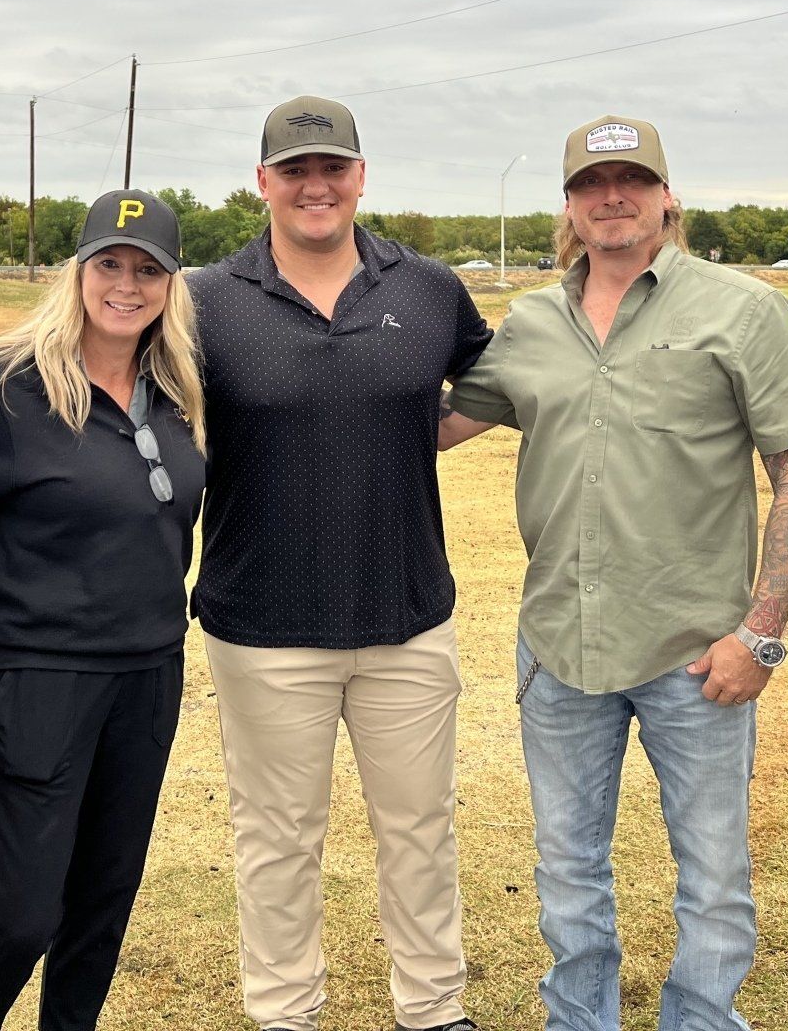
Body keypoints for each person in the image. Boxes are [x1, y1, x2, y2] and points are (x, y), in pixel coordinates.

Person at [441, 114, 788, 1031]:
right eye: (590, 183)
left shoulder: (742, 309)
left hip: (696, 653)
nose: (610, 197)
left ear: (668, 196)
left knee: (711, 875)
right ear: (570, 206)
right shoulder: (533, 322)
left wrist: (762, 634)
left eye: (631, 180)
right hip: (556, 646)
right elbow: (440, 424)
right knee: (568, 869)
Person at [188, 96, 492, 1031]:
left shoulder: (429, 287)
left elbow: (498, 380)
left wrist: (421, 434)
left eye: (333, 168)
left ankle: (433, 1009)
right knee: (277, 841)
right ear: (263, 181)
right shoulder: (202, 298)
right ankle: (285, 1013)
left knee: (420, 831)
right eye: (294, 170)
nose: (315, 186)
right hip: (263, 623)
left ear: (361, 175)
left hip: (406, 615)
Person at [0, 189, 206, 1031]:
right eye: (109, 265)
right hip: (33, 675)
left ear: (170, 284)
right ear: (79, 272)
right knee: (21, 913)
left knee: (101, 904)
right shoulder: (4, 388)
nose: (126, 285)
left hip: (148, 673)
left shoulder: (178, 394)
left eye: (148, 270)